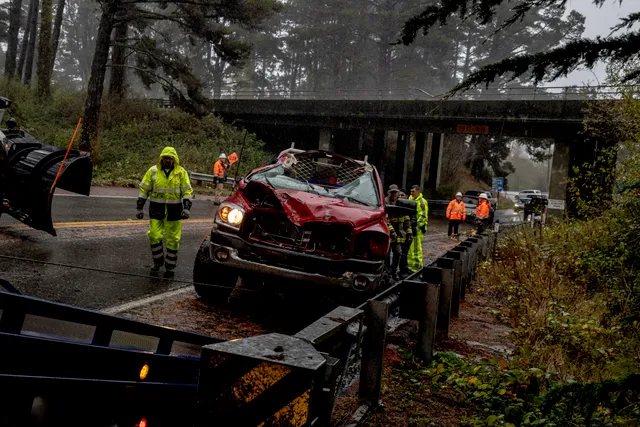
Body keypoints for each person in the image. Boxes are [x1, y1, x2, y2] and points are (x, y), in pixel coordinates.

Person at [137, 147, 193, 277]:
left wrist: (186, 208)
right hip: (156, 210)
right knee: (154, 235)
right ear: (161, 159)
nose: (168, 160)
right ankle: (158, 262)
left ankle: (170, 267)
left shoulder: (181, 173)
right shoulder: (153, 171)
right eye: (166, 158)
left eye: (170, 158)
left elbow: (187, 191)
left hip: (174, 212)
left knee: (173, 239)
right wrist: (139, 207)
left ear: (174, 160)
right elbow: (144, 189)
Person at [385, 184, 413, 280]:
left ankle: (393, 271)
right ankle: (387, 273)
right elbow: (386, 219)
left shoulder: (400, 203)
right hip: (388, 234)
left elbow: (406, 217)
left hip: (398, 233)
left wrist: (409, 232)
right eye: (392, 192)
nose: (394, 194)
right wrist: (392, 233)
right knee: (387, 255)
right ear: (389, 192)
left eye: (395, 192)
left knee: (398, 253)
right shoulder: (385, 202)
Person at [407, 185, 428, 273]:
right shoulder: (410, 199)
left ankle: (416, 267)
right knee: (410, 249)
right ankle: (410, 266)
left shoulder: (421, 202)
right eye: (411, 191)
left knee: (416, 248)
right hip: (411, 227)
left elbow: (423, 216)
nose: (411, 193)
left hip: (417, 229)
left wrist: (416, 227)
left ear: (418, 191)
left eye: (413, 191)